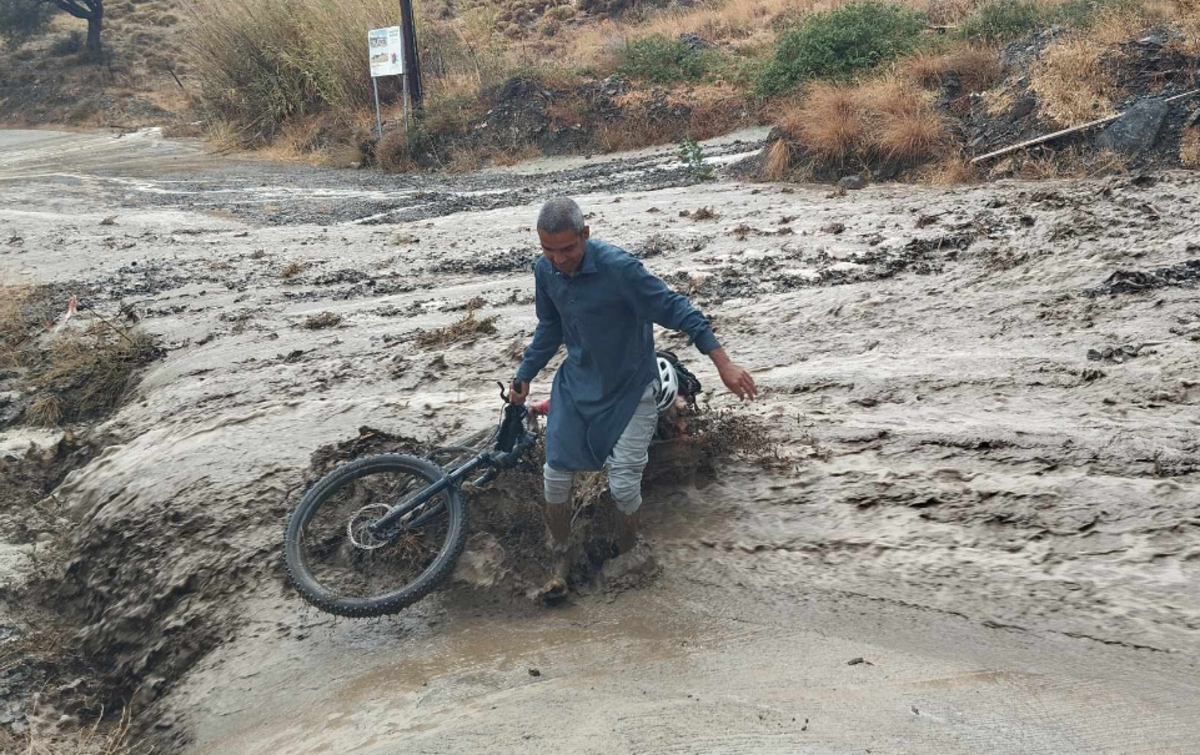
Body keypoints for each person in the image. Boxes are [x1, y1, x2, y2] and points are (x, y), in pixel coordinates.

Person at [510, 197, 756, 600]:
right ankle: (560, 562)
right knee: (555, 477)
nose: (559, 260)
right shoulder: (546, 271)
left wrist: (724, 365)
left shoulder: (619, 269)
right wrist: (524, 374)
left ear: (586, 235)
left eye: (568, 249)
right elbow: (549, 327)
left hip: (631, 390)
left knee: (623, 485)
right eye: (548, 250)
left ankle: (628, 552)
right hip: (576, 387)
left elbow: (679, 310)